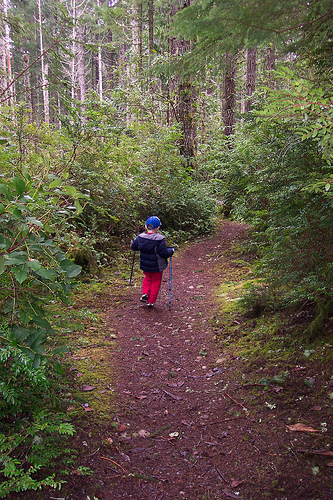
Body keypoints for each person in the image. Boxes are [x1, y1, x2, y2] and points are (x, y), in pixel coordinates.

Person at [131, 216, 174, 307]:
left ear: (146, 226)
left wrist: (134, 242)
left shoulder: (141, 237)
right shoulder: (159, 240)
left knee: (147, 278)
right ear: (158, 227)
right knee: (156, 281)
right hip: (157, 266)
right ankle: (151, 301)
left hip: (145, 265)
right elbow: (164, 253)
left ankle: (145, 293)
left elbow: (134, 247)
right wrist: (171, 251)